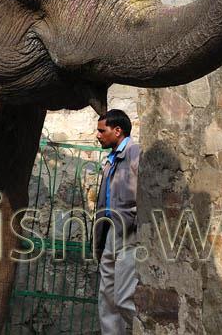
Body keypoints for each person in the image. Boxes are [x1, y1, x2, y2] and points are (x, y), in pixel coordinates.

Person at [93, 109, 139, 335]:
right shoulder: (111, 159)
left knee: (123, 298)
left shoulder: (135, 153)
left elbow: (146, 193)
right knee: (107, 297)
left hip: (129, 232)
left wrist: (134, 220)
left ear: (117, 131)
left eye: (102, 131)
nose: (98, 135)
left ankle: (146, 329)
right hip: (112, 231)